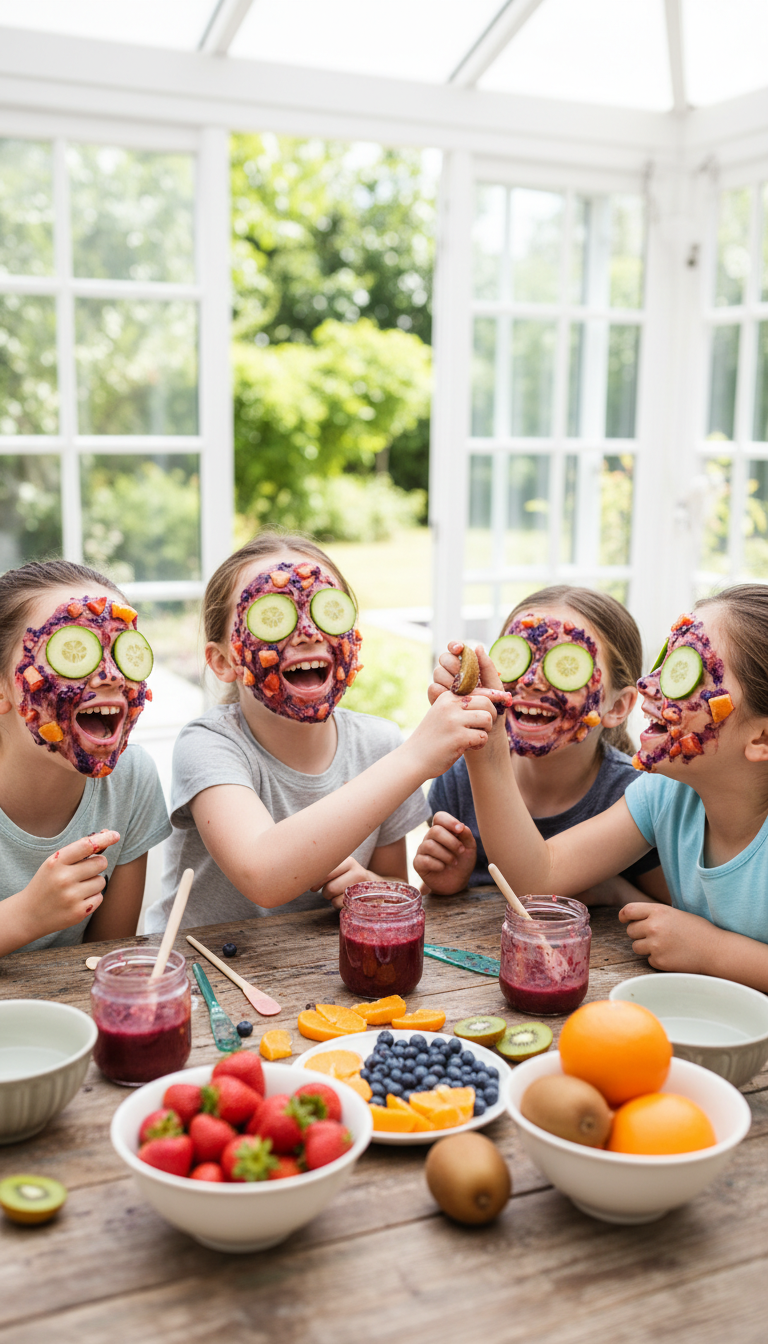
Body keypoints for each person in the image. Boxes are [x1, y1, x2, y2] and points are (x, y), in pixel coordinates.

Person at [145, 533, 499, 933]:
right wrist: (416, 756)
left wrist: (371, 887)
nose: (309, 632)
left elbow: (392, 881)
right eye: (273, 615)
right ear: (223, 661)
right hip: (195, 963)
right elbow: (262, 874)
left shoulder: (377, 744)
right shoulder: (208, 744)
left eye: (327, 610)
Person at [455, 585, 768, 990]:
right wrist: (489, 743)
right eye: (665, 662)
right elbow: (538, 876)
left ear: (761, 738)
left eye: (685, 675)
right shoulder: (664, 795)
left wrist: (714, 951)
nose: (649, 684)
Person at [415, 586, 668, 904]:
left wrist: (614, 892)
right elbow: (433, 905)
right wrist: (448, 885)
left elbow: (667, 912)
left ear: (617, 707)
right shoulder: (460, 778)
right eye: (518, 658)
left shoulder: (633, 796)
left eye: (567, 665)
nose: (531, 679)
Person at [0, 559, 170, 957]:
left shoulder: (130, 778)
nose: (112, 675)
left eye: (124, 652)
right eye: (73, 650)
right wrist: (25, 916)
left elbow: (105, 958)